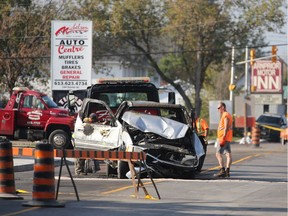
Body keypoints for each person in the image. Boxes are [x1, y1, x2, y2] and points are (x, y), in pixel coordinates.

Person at [215, 102, 233, 178]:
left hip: (223, 138)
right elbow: (229, 127)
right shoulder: (227, 115)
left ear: (223, 107)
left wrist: (223, 138)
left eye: (219, 108)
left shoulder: (225, 115)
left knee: (218, 154)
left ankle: (222, 170)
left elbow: (226, 127)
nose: (218, 109)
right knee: (228, 154)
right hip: (227, 138)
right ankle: (227, 171)